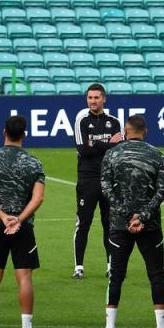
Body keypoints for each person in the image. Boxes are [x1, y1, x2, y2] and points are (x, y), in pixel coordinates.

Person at [97, 114, 164, 328]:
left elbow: (106, 188)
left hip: (120, 225)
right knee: (156, 275)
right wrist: (143, 216)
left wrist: (128, 215)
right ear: (145, 131)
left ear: (126, 131)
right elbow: (162, 191)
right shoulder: (158, 155)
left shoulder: (111, 153)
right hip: (150, 225)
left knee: (116, 275)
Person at [0, 115, 46, 328]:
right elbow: (38, 198)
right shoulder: (34, 163)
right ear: (24, 134)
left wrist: (3, 217)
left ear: (4, 131)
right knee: (24, 277)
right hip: (23, 227)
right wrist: (19, 219)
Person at [73, 83, 123, 279]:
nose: (92, 101)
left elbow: (118, 149)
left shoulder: (114, 121)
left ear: (104, 99)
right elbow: (82, 149)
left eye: (96, 98)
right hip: (87, 179)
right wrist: (108, 144)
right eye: (89, 98)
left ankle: (110, 265)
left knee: (109, 223)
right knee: (83, 223)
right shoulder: (81, 120)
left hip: (109, 178)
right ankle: (79, 267)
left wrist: (95, 143)